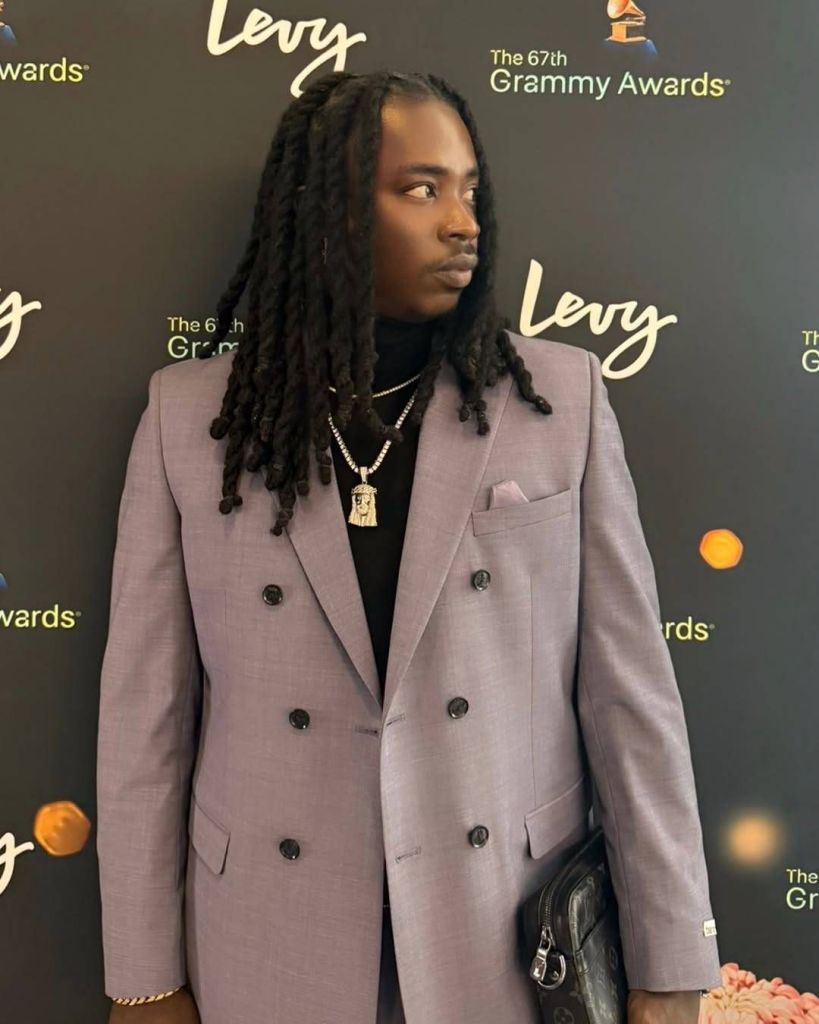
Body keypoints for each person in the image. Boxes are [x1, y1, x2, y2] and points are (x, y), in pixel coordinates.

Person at [97, 70, 722, 1024]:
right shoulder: (190, 421)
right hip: (265, 936)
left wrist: (669, 967)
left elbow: (631, 702)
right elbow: (146, 720)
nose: (463, 220)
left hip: (503, 942)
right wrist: (143, 980)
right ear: (328, 213)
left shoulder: (560, 404)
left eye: (471, 189)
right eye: (421, 189)